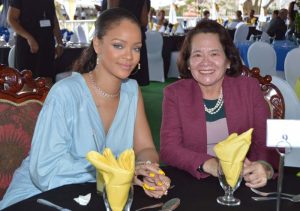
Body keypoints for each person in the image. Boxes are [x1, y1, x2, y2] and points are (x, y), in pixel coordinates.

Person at [0, 8, 170, 209]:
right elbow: (45, 171)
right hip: (40, 195)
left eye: (136, 48)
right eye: (118, 45)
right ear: (97, 44)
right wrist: (116, 173)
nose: (129, 56)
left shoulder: (132, 91)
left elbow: (146, 148)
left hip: (96, 196)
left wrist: (149, 172)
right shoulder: (65, 93)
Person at [160, 20, 277, 189]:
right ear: (188, 62)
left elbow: (266, 139)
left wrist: (264, 166)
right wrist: (210, 164)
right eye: (197, 55)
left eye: (214, 54)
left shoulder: (248, 88)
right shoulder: (175, 94)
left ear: (228, 60)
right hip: (195, 181)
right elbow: (169, 149)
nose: (205, 62)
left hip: (243, 181)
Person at [7, 0, 63, 83]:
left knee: (46, 85)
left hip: (47, 47)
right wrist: (29, 38)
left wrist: (59, 42)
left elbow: (54, 19)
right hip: (27, 47)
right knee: (27, 85)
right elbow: (11, 19)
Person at [102, 0, 150, 86]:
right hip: (135, 37)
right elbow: (144, 21)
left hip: (119, 37)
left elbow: (111, 15)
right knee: (133, 79)